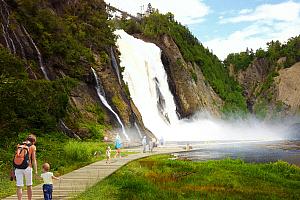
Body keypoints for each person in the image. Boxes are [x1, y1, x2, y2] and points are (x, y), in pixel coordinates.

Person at [14, 134, 37, 200]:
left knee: (19, 186)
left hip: (18, 167)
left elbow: (17, 156)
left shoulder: (19, 145)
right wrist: (35, 170)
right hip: (27, 167)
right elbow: (33, 159)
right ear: (33, 141)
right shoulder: (32, 146)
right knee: (29, 185)